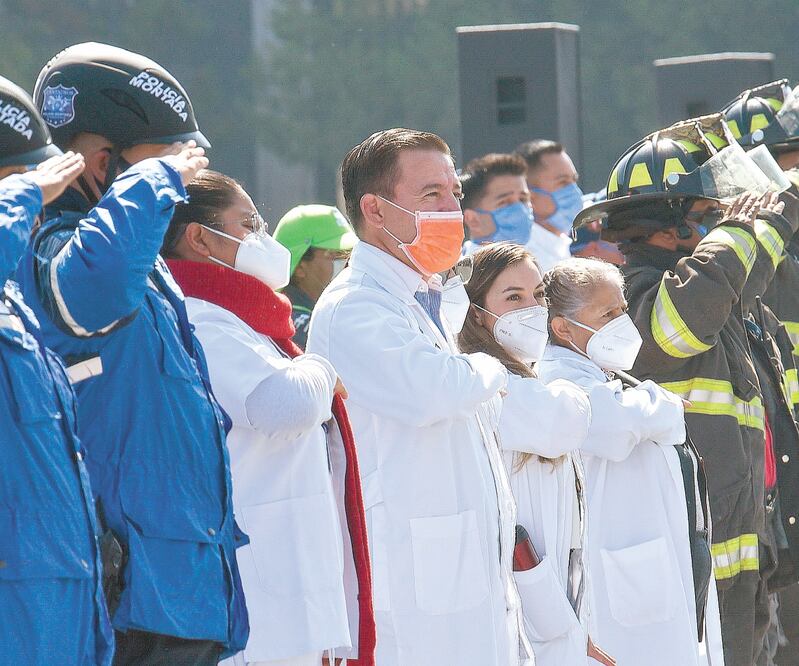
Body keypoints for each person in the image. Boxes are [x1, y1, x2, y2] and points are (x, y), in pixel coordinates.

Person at [16, 42, 248, 665]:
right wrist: (152, 184)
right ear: (99, 162)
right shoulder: (51, 248)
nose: (182, 184)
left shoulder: (134, 252)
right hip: (127, 589)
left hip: (179, 580)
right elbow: (88, 296)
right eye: (166, 165)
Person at [306, 128, 531, 666]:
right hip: (405, 596)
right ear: (375, 210)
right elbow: (437, 390)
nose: (451, 208)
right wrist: (488, 364)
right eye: (431, 195)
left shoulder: (423, 300)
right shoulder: (354, 308)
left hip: (464, 587)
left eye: (453, 194)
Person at [575, 119, 794, 666]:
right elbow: (676, 331)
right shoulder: (632, 297)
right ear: (670, 226)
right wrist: (746, 229)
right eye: (715, 213)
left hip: (743, 563)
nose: (731, 222)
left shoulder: (729, 304)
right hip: (684, 576)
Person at [161, 169, 376, 666]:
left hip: (285, 578)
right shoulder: (199, 316)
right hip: (257, 588)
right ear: (199, 238)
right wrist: (318, 366)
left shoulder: (244, 320)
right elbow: (282, 405)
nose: (262, 237)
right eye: (248, 224)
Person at [538, 257, 724, 665]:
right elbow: (610, 427)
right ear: (562, 327)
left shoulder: (609, 377)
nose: (622, 321)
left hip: (653, 568)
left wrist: (656, 405)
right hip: (622, 577)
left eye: (623, 309)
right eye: (607, 313)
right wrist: (664, 404)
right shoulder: (559, 376)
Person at [457, 242, 623, 666]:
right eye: (513, 298)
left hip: (555, 608)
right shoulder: (485, 383)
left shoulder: (525, 379)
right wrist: (560, 626)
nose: (532, 309)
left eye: (539, 296)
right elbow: (563, 420)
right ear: (477, 312)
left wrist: (572, 626)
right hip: (526, 612)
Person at [0, 74, 113, 666]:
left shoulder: (13, 300)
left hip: (56, 598)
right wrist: (18, 198)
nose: (47, 194)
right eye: (19, 182)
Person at [273, 204, 357, 348]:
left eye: (349, 254)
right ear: (300, 266)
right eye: (334, 254)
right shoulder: (292, 326)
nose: (347, 262)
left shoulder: (331, 314)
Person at [515, 139, 583, 271]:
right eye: (563, 182)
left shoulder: (564, 245)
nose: (574, 190)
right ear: (529, 196)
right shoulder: (525, 259)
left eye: (574, 180)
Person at [459, 153, 534, 254]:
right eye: (504, 202)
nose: (520, 209)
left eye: (523, 199)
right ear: (472, 219)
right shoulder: (461, 269)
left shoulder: (542, 263)